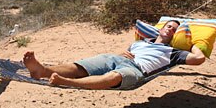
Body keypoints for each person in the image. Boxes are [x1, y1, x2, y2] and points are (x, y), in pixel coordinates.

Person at [23, 20, 205, 90]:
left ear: (178, 35)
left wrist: (196, 43)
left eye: (175, 30)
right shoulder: (140, 42)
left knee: (116, 76)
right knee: (80, 67)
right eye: (169, 26)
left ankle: (66, 82)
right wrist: (122, 53)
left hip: (135, 70)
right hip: (117, 59)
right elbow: (124, 54)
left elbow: (198, 59)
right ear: (161, 29)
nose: (171, 30)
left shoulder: (174, 53)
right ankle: (42, 70)